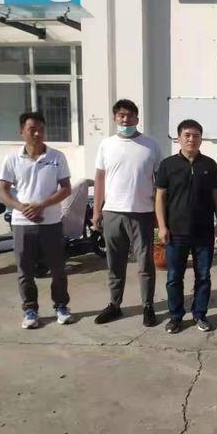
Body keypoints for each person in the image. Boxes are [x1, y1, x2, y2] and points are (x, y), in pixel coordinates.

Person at [0, 112, 73, 329]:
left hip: (51, 222)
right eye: (32, 129)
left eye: (41, 129)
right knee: (25, 270)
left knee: (58, 269)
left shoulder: (57, 157)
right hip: (22, 223)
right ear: (21, 132)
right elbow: (3, 190)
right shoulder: (12, 158)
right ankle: (30, 310)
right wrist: (22, 207)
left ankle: (61, 306)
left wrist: (42, 205)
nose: (38, 133)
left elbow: (66, 188)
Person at [92, 99, 162, 327]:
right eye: (121, 115)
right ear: (115, 118)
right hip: (113, 213)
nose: (125, 119)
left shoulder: (151, 145)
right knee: (115, 263)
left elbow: (159, 183)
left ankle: (148, 306)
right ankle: (115, 305)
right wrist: (96, 211)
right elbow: (100, 179)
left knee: (145, 264)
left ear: (137, 119)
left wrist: (159, 215)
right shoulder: (106, 145)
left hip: (142, 213)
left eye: (130, 115)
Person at [155, 120, 217, 334]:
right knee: (174, 277)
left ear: (201, 138)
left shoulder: (209, 164)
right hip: (176, 232)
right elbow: (160, 196)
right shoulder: (167, 165)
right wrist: (162, 227)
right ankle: (176, 316)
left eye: (196, 135)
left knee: (203, 276)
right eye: (187, 135)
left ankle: (200, 314)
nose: (191, 139)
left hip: (204, 231)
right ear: (179, 138)